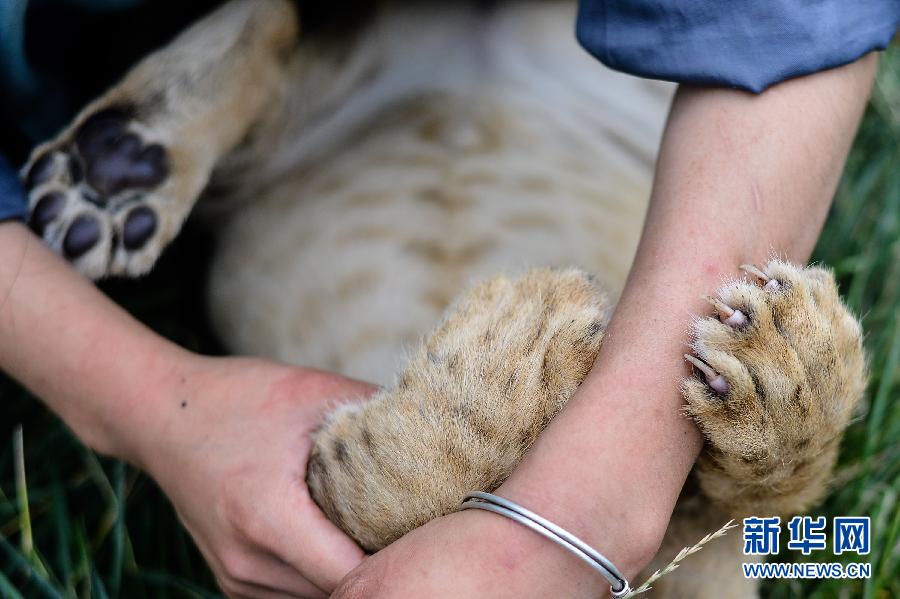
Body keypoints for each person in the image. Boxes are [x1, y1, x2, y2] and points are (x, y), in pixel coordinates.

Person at [1, 1, 897, 598]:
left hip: (320, 128)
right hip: (604, 103)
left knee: (390, 506)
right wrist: (779, 471)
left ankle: (237, 66)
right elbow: (839, 538)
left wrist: (155, 405)